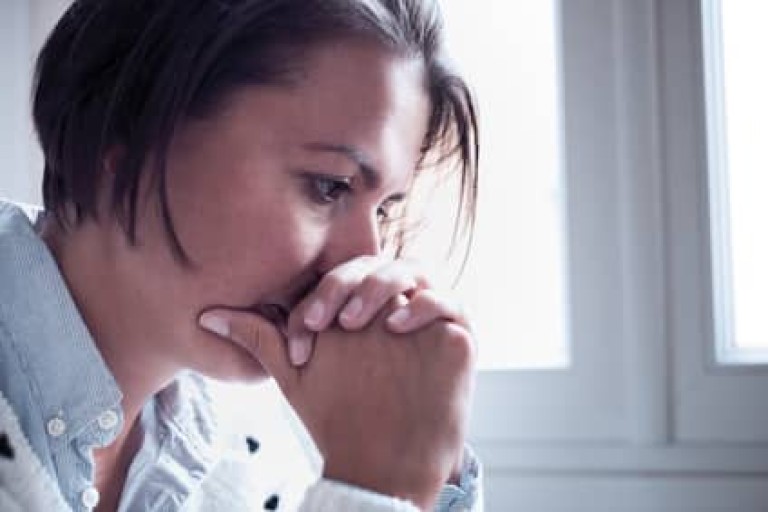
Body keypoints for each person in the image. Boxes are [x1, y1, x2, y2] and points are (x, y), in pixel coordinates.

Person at [0, 0, 482, 510]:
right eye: (328, 186)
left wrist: (422, 472)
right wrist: (375, 494)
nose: (364, 258)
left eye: (382, 211)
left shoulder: (285, 444)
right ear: (129, 136)